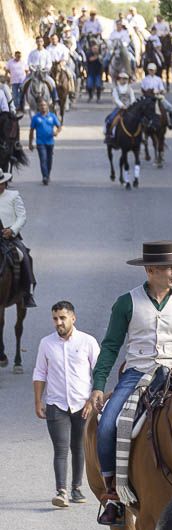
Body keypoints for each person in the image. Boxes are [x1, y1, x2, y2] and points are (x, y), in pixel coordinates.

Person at [89, 241, 172, 526]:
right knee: (106, 425)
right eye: (169, 267)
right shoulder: (127, 302)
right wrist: (99, 384)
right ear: (151, 270)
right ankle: (113, 493)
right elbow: (111, 345)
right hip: (137, 375)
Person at [32, 300, 99, 508]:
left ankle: (76, 488)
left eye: (62, 318)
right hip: (56, 404)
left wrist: (91, 401)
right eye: (55, 319)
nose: (58, 322)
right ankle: (61, 491)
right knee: (60, 449)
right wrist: (38, 401)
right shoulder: (46, 343)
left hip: (82, 405)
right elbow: (40, 372)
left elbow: (99, 372)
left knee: (78, 447)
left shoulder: (87, 342)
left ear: (73, 318)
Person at [0, 169, 35, 306]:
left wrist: (12, 230)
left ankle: (26, 292)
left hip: (9, 237)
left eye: (2, 183)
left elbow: (22, 217)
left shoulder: (13, 196)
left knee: (24, 256)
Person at [28, 98, 61, 185]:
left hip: (50, 142)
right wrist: (30, 143)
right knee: (43, 159)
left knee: (49, 160)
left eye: (44, 105)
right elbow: (31, 131)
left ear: (48, 106)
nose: (43, 107)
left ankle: (48, 174)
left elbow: (59, 126)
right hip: (40, 143)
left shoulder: (52, 116)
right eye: (41, 105)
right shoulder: (35, 118)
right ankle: (45, 177)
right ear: (38, 107)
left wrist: (56, 132)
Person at [139, 62, 172, 129]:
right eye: (150, 70)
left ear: (155, 70)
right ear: (148, 70)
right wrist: (147, 92)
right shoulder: (144, 79)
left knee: (170, 107)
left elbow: (162, 89)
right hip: (147, 97)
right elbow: (142, 89)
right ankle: (140, 125)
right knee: (139, 109)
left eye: (152, 70)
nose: (151, 71)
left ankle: (170, 122)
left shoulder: (158, 79)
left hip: (157, 96)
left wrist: (158, 91)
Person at [105, 71, 136, 144]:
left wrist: (130, 105)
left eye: (125, 79)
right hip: (119, 108)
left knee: (138, 119)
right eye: (122, 79)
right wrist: (122, 105)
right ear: (119, 80)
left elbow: (132, 98)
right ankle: (110, 134)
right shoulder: (116, 89)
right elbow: (116, 99)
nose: (123, 80)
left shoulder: (130, 89)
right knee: (110, 119)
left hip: (129, 108)